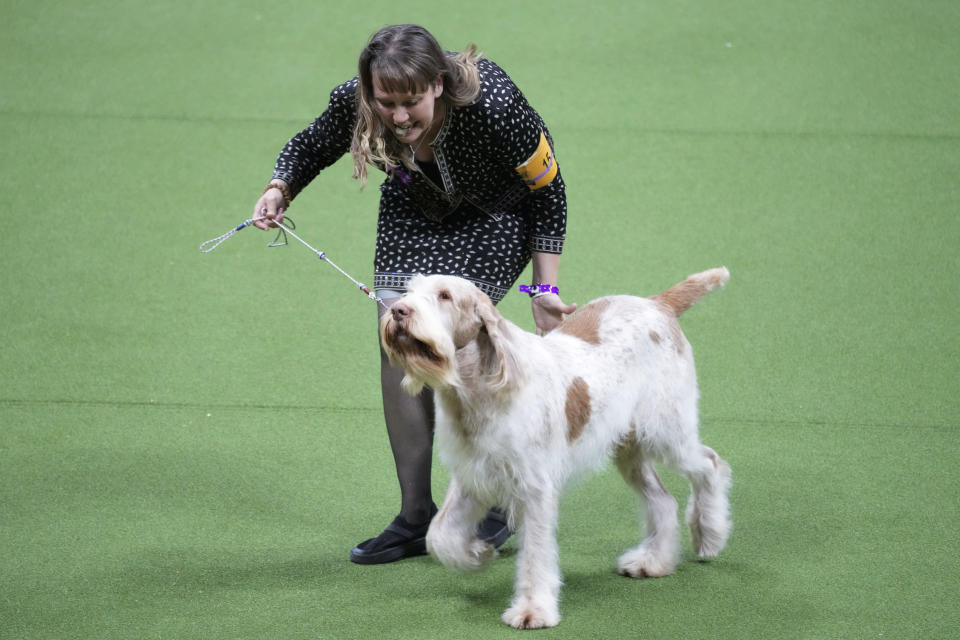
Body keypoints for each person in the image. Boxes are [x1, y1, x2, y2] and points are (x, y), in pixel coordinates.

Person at [251, 24, 576, 564]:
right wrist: (278, 187)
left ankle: (499, 499)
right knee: (399, 335)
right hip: (413, 212)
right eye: (386, 103)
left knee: (463, 343)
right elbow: (311, 145)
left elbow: (550, 190)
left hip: (496, 214)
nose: (399, 117)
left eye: (412, 102)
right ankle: (414, 515)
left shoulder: (492, 101)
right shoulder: (356, 103)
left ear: (439, 86)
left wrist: (544, 288)